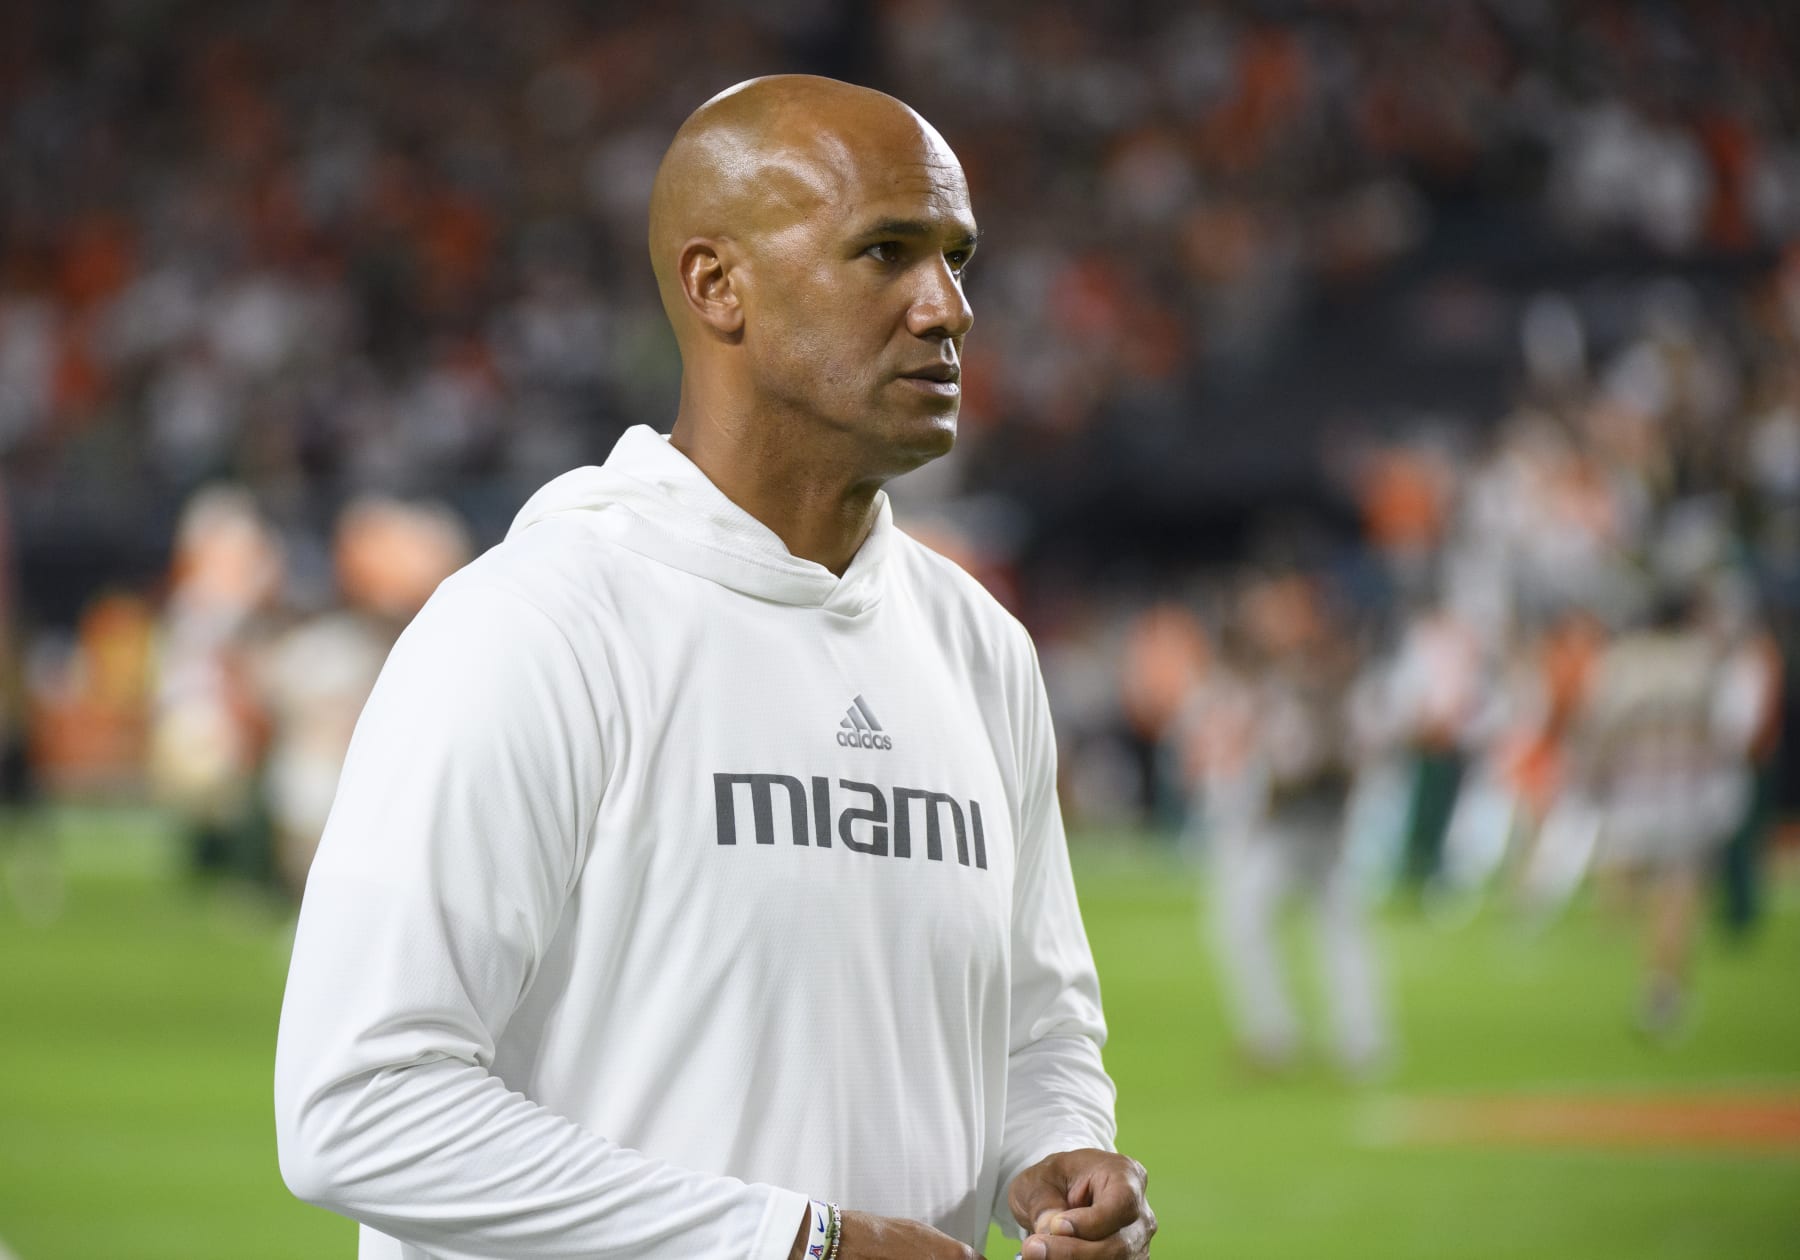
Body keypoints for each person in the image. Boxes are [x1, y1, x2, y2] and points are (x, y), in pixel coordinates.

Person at [273, 75, 1155, 1260]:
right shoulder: (533, 627)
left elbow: (1037, 1029)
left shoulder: (979, 648)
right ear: (716, 284)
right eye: (886, 251)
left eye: (958, 258)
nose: (947, 309)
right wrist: (794, 1243)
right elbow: (357, 1109)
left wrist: (1054, 1153)